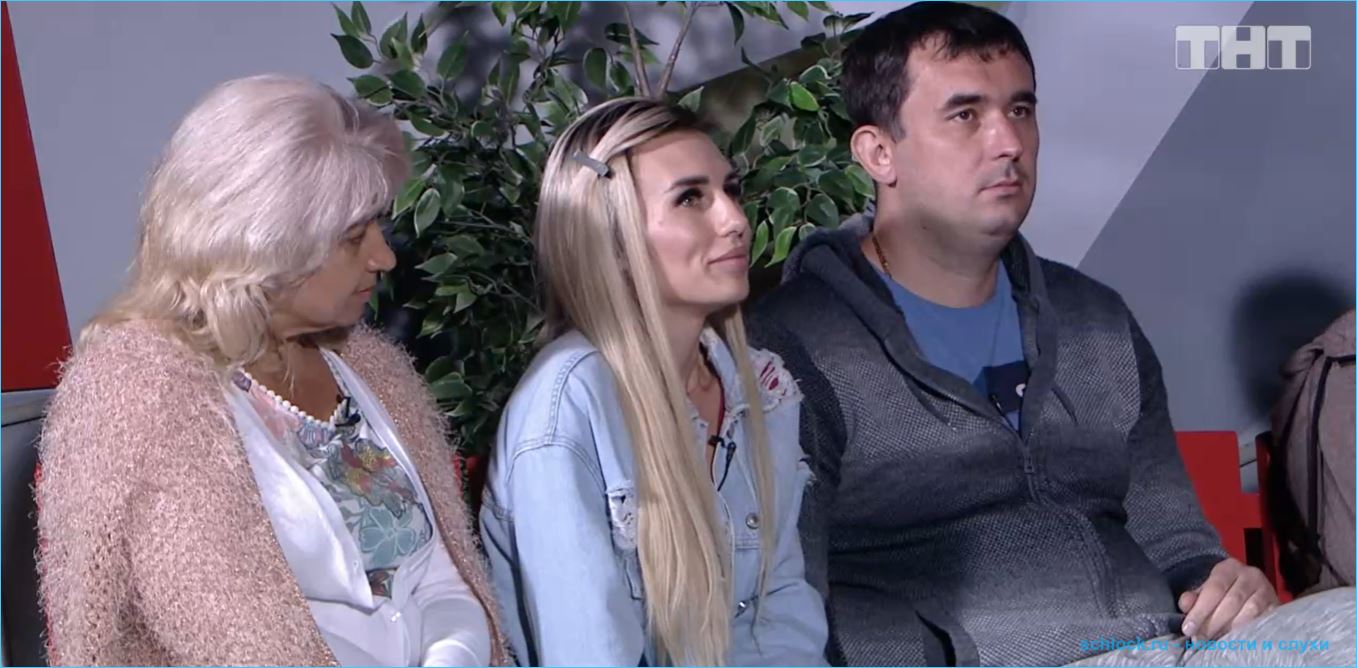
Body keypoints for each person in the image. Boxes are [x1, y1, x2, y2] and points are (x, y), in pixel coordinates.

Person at [747, 3, 1354, 666]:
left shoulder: (1095, 319)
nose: (1007, 142)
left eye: (1020, 109)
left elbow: (1175, 539)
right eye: (965, 115)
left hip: (1164, 647)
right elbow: (786, 597)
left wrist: (1222, 584)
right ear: (878, 153)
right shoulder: (793, 348)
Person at [36, 75, 506, 666]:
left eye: (378, 228)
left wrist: (455, 655)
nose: (384, 257)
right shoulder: (135, 393)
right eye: (353, 237)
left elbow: (441, 575)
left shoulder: (373, 368)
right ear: (262, 242)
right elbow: (102, 633)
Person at [479, 97, 827, 666]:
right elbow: (589, 655)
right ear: (611, 239)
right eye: (690, 198)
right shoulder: (566, 407)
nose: (736, 221)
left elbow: (781, 610)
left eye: (730, 190)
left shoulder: (760, 384)